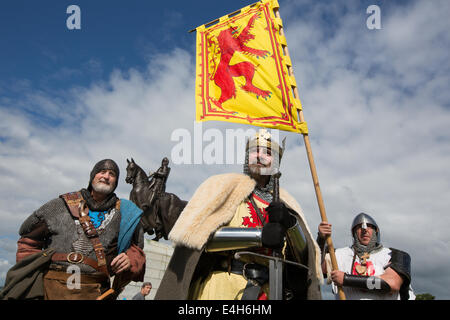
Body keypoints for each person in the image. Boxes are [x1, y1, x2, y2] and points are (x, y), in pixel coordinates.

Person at [155, 129, 323, 300]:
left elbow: (303, 260)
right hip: (223, 287)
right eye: (255, 151)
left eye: (268, 152)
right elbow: (199, 238)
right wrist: (259, 236)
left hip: (268, 292)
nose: (260, 156)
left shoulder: (287, 204)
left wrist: (291, 225)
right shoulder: (223, 187)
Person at [10, 159, 146, 300]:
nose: (106, 176)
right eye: (102, 171)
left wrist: (130, 258)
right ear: (93, 176)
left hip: (94, 291)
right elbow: (28, 241)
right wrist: (31, 278)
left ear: (116, 182)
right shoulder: (60, 205)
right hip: (50, 288)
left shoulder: (126, 213)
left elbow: (137, 250)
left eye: (112, 174)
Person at [318, 212, 415, 300]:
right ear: (354, 232)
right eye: (359, 227)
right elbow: (317, 269)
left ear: (376, 231)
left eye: (369, 226)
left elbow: (391, 284)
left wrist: (345, 279)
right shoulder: (337, 255)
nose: (364, 230)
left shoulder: (394, 255)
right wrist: (321, 240)